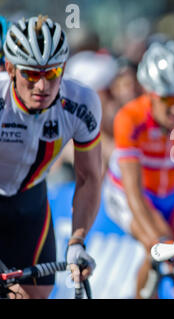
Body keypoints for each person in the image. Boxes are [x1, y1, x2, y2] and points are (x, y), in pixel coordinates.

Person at [103, 40, 174, 299]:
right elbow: (134, 194)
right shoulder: (130, 118)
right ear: (149, 93)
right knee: (159, 247)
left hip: (173, 192)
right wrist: (159, 240)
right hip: (129, 193)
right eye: (167, 99)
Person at [0, 15, 101, 299]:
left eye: (51, 73)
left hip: (29, 202)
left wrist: (77, 241)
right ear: (10, 69)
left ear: (64, 68)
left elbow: (88, 178)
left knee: (33, 295)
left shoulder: (81, 103)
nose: (42, 86)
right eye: (31, 74)